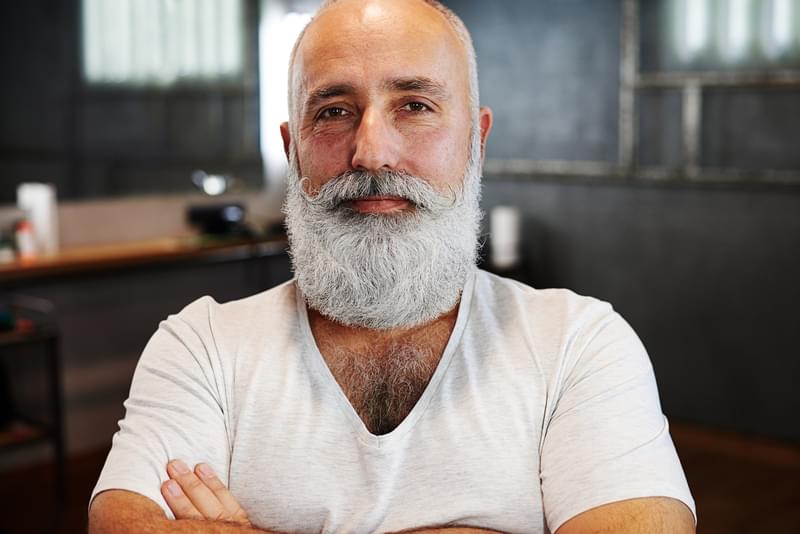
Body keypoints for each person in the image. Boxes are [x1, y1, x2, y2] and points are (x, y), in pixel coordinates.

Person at [88, 0, 696, 532]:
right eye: (333, 111)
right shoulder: (199, 346)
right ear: (292, 149)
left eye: (414, 105)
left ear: (476, 141)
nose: (371, 151)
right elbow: (121, 525)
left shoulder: (580, 345)